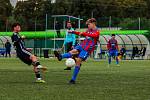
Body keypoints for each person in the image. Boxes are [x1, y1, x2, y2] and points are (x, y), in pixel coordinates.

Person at [54, 18, 100, 84]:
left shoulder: (97, 30)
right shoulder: (88, 30)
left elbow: (95, 35)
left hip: (87, 48)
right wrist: (73, 32)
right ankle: (60, 56)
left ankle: (73, 79)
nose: (88, 26)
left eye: (89, 24)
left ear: (93, 24)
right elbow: (81, 33)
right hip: (82, 45)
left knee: (78, 61)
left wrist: (85, 33)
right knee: (72, 51)